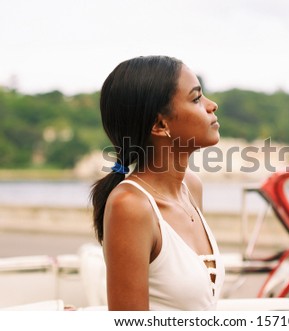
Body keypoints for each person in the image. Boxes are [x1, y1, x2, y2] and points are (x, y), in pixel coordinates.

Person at [90, 55, 224, 311]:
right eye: (196, 98)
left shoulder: (191, 188)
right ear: (161, 125)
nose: (212, 105)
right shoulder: (130, 206)